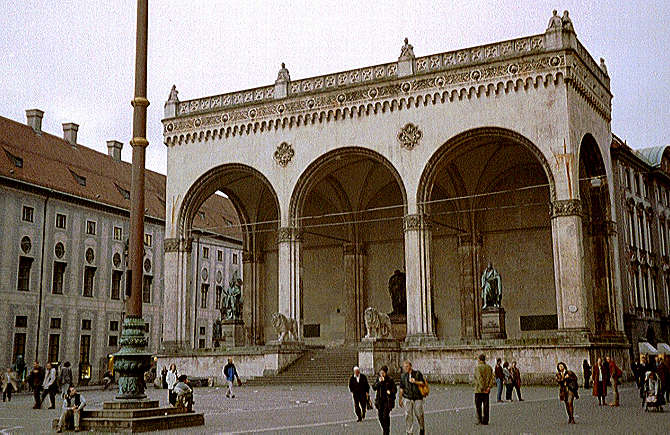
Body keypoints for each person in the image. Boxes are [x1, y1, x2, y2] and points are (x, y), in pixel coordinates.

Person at [399, 360, 426, 435]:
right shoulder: (403, 376)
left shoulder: (417, 373)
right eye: (404, 367)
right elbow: (401, 388)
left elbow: (423, 383)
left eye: (407, 366)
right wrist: (400, 399)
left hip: (417, 398)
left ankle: (422, 428)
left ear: (410, 366)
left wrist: (415, 382)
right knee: (408, 415)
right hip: (407, 397)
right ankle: (409, 432)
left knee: (419, 414)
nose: (405, 368)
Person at [372, 365, 396, 435]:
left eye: (383, 373)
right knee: (380, 417)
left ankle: (386, 432)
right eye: (381, 372)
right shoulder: (378, 379)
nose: (382, 374)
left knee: (385, 416)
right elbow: (374, 388)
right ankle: (385, 429)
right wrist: (379, 382)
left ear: (386, 373)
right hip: (379, 401)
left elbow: (394, 389)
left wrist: (390, 392)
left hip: (387, 401)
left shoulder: (390, 380)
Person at [474, 354, 495, 425]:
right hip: (487, 390)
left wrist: (483, 388)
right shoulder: (489, 367)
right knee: (486, 406)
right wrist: (489, 387)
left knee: (478, 406)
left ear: (479, 359)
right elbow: (492, 378)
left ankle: (479, 419)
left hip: (479, 390)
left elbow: (479, 378)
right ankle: (486, 420)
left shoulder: (477, 368)